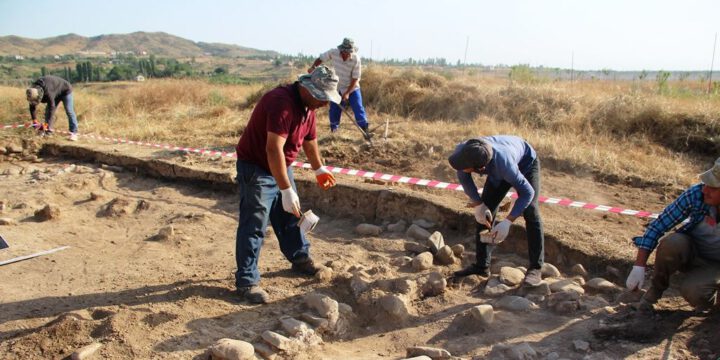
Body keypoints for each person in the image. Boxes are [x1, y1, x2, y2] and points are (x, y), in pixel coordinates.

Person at [234, 65, 340, 304]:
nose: (324, 104)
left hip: (280, 165)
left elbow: (310, 141)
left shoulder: (308, 106)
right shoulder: (281, 102)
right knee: (255, 223)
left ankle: (300, 257)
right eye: (322, 98)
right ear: (307, 88)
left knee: (290, 216)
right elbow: (273, 149)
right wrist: (285, 189)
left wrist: (318, 168)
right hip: (256, 167)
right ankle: (247, 281)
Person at [447, 135, 545, 286]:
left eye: (467, 168)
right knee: (486, 209)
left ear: (480, 169)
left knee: (530, 210)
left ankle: (536, 268)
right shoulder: (463, 152)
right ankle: (481, 266)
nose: (462, 169)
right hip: (497, 168)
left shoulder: (504, 165)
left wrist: (508, 221)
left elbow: (527, 193)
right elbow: (464, 178)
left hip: (526, 162)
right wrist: (478, 204)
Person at [626, 157, 720, 311]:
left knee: (695, 292)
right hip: (693, 253)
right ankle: (654, 292)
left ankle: (710, 308)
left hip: (716, 267)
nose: (705, 190)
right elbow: (658, 226)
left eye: (713, 187)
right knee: (673, 243)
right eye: (706, 184)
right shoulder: (696, 195)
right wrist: (639, 265)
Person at [308, 38, 369, 134]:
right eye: (344, 51)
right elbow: (320, 59)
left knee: (358, 108)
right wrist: (313, 67)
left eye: (348, 52)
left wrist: (348, 93)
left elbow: (355, 78)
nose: (345, 54)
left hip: (352, 88)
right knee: (334, 110)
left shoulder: (356, 59)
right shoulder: (334, 52)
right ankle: (334, 131)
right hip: (337, 87)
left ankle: (365, 130)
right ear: (341, 49)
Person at [25, 75, 79, 141]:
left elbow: (51, 108)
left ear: (40, 94)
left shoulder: (48, 92)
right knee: (47, 112)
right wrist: (34, 120)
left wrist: (47, 125)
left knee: (69, 110)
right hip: (55, 91)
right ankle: (48, 132)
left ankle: (74, 132)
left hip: (65, 90)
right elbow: (32, 106)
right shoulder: (32, 92)